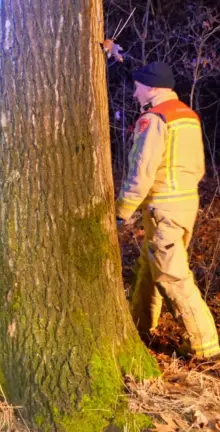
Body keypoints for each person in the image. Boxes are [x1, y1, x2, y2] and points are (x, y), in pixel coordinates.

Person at [117, 61, 219, 360]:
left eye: (138, 87)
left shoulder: (154, 118)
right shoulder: (186, 115)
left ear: (152, 88)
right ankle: (139, 326)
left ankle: (204, 346)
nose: (134, 93)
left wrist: (122, 210)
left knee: (171, 275)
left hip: (163, 206)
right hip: (185, 202)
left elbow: (142, 171)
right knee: (150, 266)